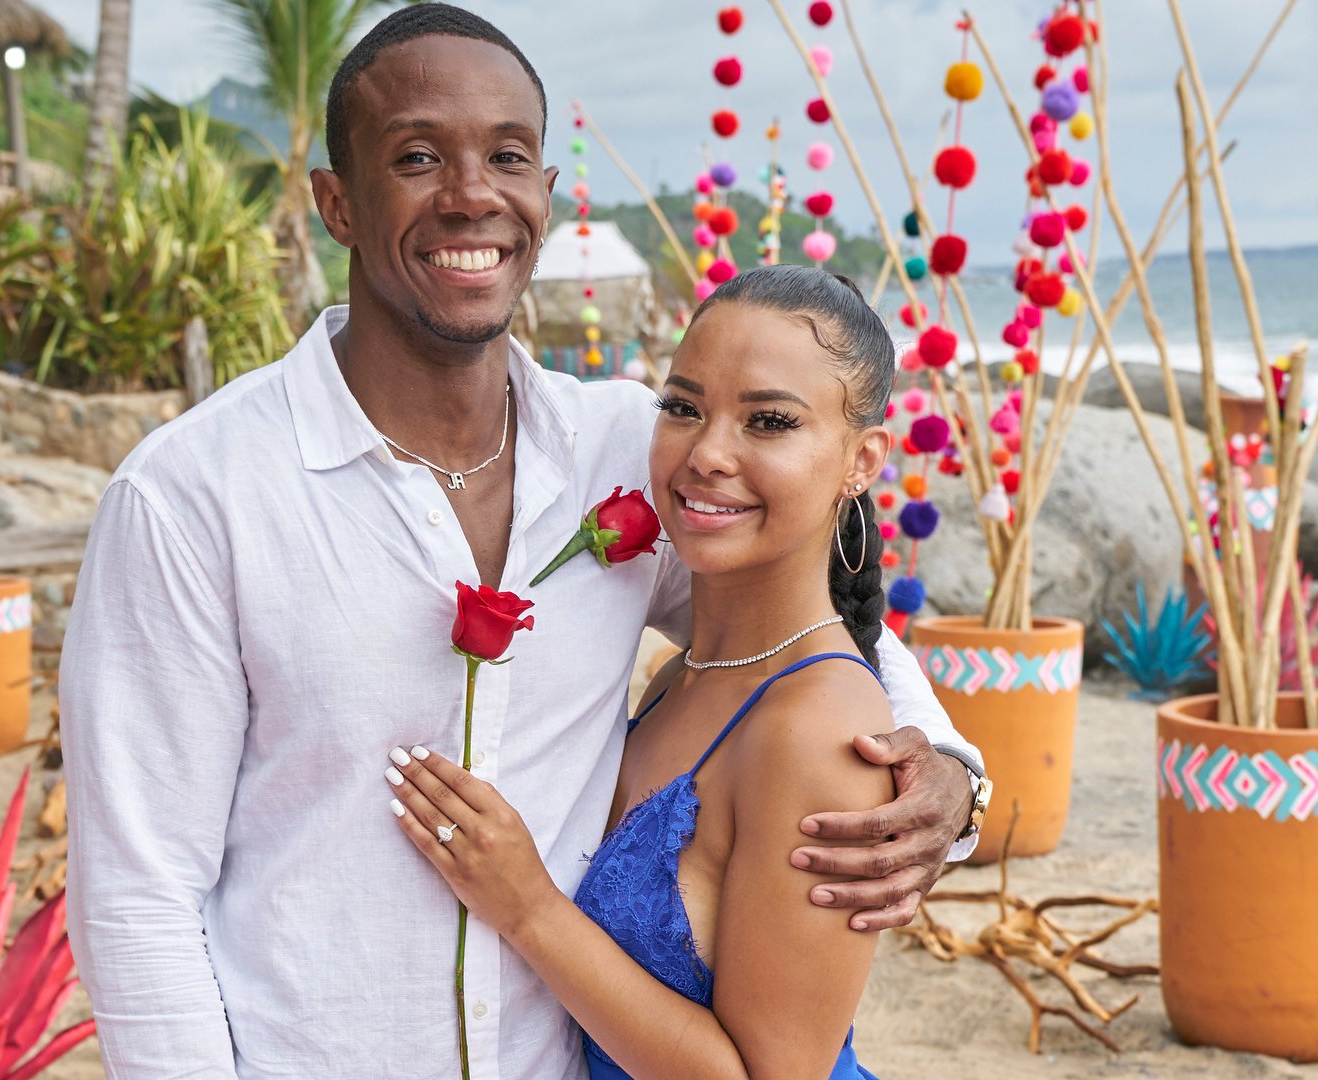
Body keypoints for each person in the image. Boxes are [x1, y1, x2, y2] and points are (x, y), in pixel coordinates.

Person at [59, 7, 988, 1077]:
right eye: (417, 157)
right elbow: (138, 896)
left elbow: (794, 631)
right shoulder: (192, 497)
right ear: (336, 202)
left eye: (507, 157)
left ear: (544, 193)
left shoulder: (631, 450)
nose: (472, 194)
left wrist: (945, 768)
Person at [386, 264, 899, 1078]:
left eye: (769, 421)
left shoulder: (819, 734)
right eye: (683, 408)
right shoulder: (677, 675)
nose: (708, 453)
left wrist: (528, 908)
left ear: (861, 460)